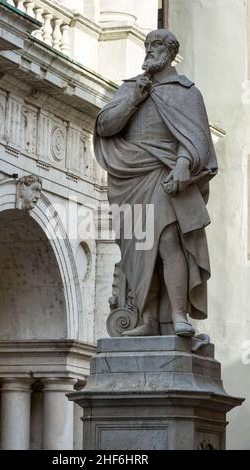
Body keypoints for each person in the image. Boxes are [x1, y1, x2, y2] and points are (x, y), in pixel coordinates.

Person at [94, 29, 218, 337]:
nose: (150, 50)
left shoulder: (186, 92)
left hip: (165, 175)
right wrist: (135, 98)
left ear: (171, 51)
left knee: (166, 240)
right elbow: (105, 126)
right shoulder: (129, 88)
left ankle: (178, 315)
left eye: (157, 45)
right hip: (130, 179)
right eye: (148, 44)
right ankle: (147, 319)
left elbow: (197, 139)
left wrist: (182, 165)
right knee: (138, 249)